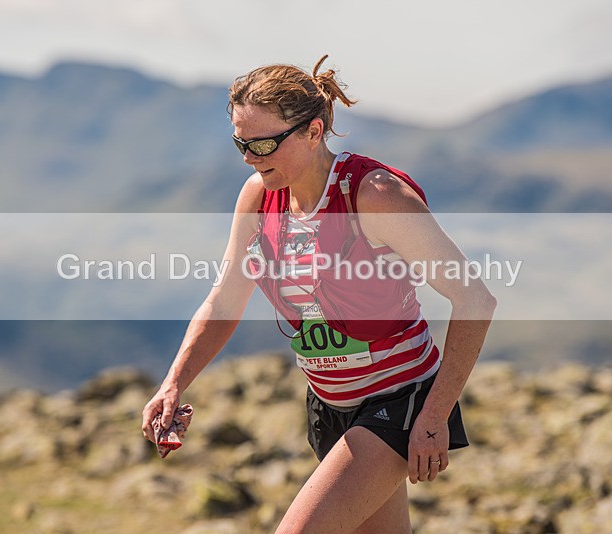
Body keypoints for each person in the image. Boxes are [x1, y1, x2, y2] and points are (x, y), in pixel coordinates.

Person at [142, 55, 496, 533]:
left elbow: (475, 299)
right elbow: (225, 301)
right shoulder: (257, 196)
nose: (250, 157)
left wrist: (435, 414)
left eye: (264, 143)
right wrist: (173, 384)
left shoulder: (374, 195)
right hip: (328, 406)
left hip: (398, 399)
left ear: (313, 131)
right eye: (240, 144)